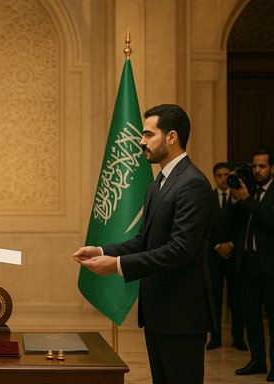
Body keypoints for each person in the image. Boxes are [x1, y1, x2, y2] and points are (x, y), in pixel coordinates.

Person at [72, 104, 215, 384]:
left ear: (171, 137)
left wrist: (117, 265)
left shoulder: (193, 184)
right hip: (158, 313)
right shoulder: (156, 184)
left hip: (182, 315)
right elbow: (143, 241)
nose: (141, 141)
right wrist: (102, 251)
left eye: (149, 135)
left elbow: (180, 250)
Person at [231, 148, 274, 381]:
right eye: (254, 166)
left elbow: (270, 223)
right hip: (246, 263)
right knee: (250, 316)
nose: (257, 170)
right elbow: (233, 222)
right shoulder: (248, 191)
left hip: (269, 266)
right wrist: (237, 196)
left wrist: (247, 200)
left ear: (272, 169)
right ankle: (257, 361)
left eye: (262, 166)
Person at [206, 162, 247, 351]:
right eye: (219, 176)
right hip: (213, 256)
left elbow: (242, 225)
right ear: (214, 177)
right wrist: (216, 246)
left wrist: (231, 245)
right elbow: (205, 227)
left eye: (225, 175)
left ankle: (238, 337)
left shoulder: (238, 197)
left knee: (236, 298)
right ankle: (215, 337)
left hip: (234, 255)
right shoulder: (208, 197)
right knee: (214, 299)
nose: (223, 179)